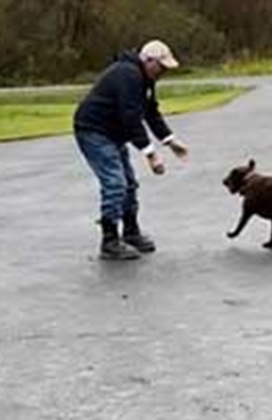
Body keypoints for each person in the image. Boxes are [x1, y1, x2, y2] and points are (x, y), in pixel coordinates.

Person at [73, 39, 188, 260]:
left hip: (113, 133)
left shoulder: (146, 78)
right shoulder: (128, 75)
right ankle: (109, 241)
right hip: (94, 131)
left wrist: (170, 141)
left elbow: (150, 112)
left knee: (129, 183)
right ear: (148, 60)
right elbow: (131, 119)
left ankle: (130, 232)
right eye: (161, 67)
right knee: (116, 183)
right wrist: (151, 154)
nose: (163, 72)